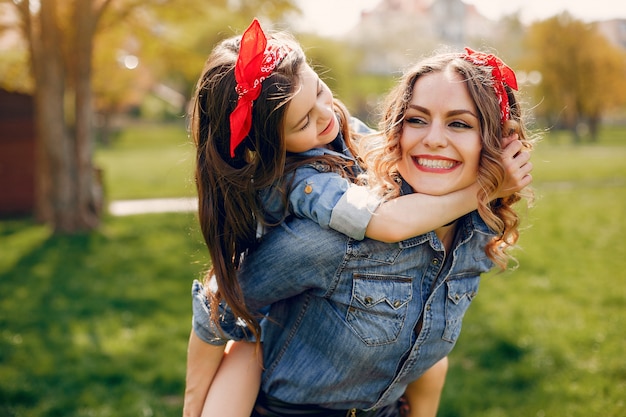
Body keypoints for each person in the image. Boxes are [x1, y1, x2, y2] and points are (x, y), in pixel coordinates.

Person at [185, 18, 533, 417]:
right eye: (417, 119)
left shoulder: (473, 228)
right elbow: (223, 303)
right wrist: (488, 185)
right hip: (283, 392)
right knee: (245, 348)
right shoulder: (310, 196)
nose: (324, 114)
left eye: (459, 122)